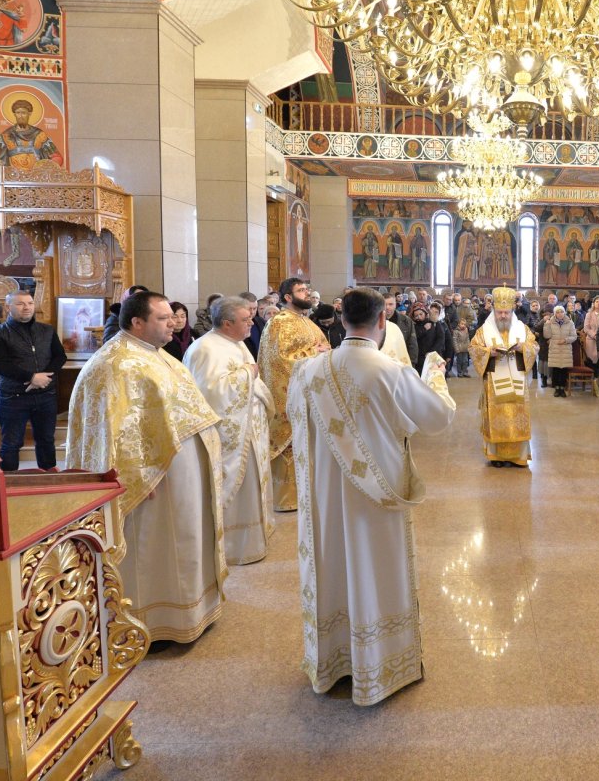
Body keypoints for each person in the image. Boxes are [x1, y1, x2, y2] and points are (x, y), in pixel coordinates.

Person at [287, 287, 455, 705]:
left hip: (326, 494)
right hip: (378, 493)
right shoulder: (391, 370)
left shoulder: (308, 371)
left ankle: (334, 660)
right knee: (375, 566)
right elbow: (437, 418)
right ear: (382, 320)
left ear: (342, 319)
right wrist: (435, 374)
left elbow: (295, 422)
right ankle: (380, 662)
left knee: (333, 564)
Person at [67, 291, 226, 643]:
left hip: (176, 477)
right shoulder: (115, 364)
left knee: (181, 543)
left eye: (171, 317)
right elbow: (110, 429)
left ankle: (190, 609)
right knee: (152, 550)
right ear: (137, 322)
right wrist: (130, 477)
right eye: (163, 318)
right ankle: (146, 622)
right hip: (151, 483)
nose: (172, 324)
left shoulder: (154, 354)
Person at [184, 297, 275, 565]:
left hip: (249, 429)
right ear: (226, 323)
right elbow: (210, 393)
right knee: (237, 489)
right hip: (230, 434)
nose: (252, 323)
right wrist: (247, 373)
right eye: (245, 320)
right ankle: (234, 548)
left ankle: (253, 541)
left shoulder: (235, 342)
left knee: (253, 485)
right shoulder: (205, 349)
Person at [260, 277, 331, 511]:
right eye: (301, 290)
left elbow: (323, 346)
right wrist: (315, 353)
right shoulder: (279, 322)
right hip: (290, 396)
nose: (307, 293)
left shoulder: (305, 320)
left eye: (307, 289)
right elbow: (279, 360)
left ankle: (308, 494)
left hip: (310, 395)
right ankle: (288, 499)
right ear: (288, 297)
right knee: (290, 446)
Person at [0, 290, 66, 471]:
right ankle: (9, 481)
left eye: (30, 303)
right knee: (11, 443)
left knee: (46, 440)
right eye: (20, 304)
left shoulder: (47, 330)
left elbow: (60, 356)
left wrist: (43, 377)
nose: (27, 307)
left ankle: (49, 478)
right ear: (8, 307)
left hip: (45, 395)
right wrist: (31, 377)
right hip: (13, 397)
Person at [468, 286, 539, 467]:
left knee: (517, 418)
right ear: (494, 310)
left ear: (512, 310)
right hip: (494, 382)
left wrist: (523, 348)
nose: (503, 316)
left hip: (517, 381)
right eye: (499, 312)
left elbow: (534, 346)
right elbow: (473, 348)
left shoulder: (522, 328)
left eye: (506, 312)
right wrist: (488, 352)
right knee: (497, 419)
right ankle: (497, 457)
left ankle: (518, 457)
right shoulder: (484, 330)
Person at [544, 305, 578, 397]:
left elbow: (574, 336)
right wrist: (546, 325)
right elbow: (547, 336)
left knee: (563, 371)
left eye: (562, 312)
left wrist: (565, 340)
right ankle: (557, 389)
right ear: (555, 314)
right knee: (555, 370)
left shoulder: (570, 322)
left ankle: (562, 389)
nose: (560, 314)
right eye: (558, 312)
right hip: (555, 349)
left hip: (565, 349)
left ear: (564, 312)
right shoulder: (550, 322)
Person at [412, 302, 445, 375]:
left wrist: (431, 352)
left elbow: (440, 338)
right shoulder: (413, 326)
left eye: (421, 314)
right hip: (420, 358)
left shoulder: (434, 323)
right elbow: (414, 338)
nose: (418, 317)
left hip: (433, 356)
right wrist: (424, 329)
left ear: (425, 313)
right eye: (416, 315)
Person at [380, 295, 413, 367]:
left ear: (395, 305)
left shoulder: (406, 321)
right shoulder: (375, 321)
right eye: (384, 304)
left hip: (401, 361)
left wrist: (412, 364)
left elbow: (412, 343)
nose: (387, 307)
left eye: (390, 304)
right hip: (382, 362)